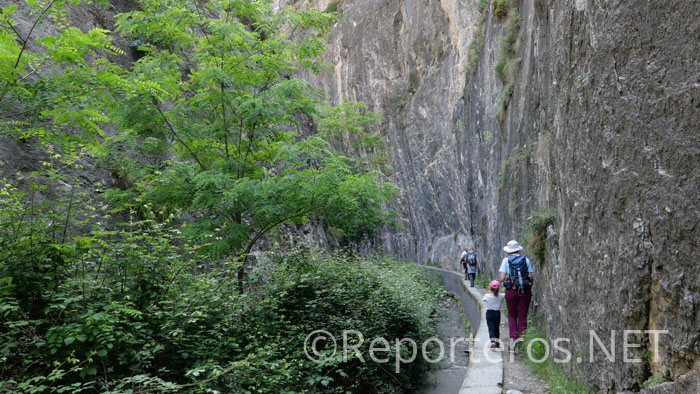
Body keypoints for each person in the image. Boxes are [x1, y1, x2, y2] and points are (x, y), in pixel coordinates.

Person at [499, 240, 533, 348]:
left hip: (511, 291)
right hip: (525, 290)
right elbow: (531, 276)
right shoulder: (526, 260)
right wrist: (528, 287)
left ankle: (513, 339)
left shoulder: (506, 260)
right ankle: (521, 341)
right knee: (522, 316)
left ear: (508, 250)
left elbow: (502, 278)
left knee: (512, 315)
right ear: (518, 249)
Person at [483, 280, 505, 349]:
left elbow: (484, 300)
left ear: (490, 288)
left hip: (489, 313)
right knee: (496, 328)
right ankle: (497, 341)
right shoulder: (500, 296)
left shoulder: (487, 296)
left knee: (491, 328)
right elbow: (505, 295)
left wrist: (489, 292)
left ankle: (492, 342)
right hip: (497, 313)